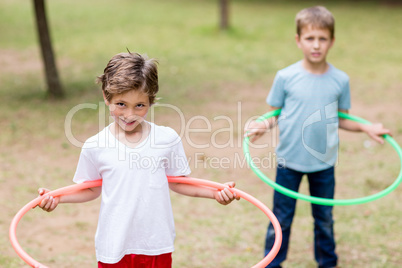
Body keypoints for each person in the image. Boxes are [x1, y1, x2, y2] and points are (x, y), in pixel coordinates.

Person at [38, 52, 239, 268]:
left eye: (140, 106)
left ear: (151, 101)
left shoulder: (166, 139)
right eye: (121, 104)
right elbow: (89, 189)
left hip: (155, 244)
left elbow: (180, 181)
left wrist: (216, 193)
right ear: (107, 98)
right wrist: (57, 198)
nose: (129, 114)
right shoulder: (95, 146)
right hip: (113, 245)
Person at [244, 6, 391, 268]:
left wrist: (367, 127)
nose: (316, 45)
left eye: (322, 39)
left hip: (323, 164)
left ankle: (328, 263)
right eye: (310, 38)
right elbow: (274, 114)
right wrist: (261, 126)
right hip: (288, 162)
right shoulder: (286, 77)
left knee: (324, 218)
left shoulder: (340, 80)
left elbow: (343, 118)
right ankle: (272, 263)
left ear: (331, 42)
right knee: (281, 218)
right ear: (298, 40)